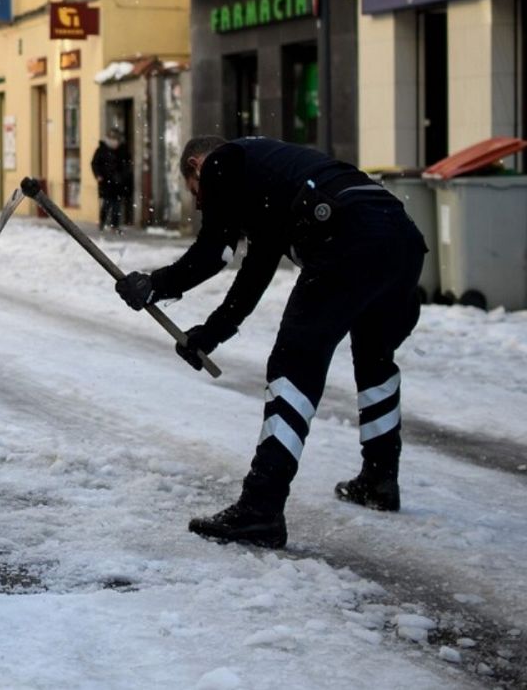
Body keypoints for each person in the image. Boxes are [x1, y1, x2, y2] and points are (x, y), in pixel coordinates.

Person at [115, 135, 425, 549]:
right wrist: (211, 334)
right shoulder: (271, 180)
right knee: (375, 358)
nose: (201, 203)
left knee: (293, 366)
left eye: (196, 194)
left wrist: (154, 284)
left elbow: (214, 253)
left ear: (196, 165)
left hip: (347, 235)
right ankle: (379, 479)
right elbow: (253, 273)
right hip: (400, 238)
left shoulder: (222, 163)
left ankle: (261, 507)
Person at [91, 128, 129, 233]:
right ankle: (102, 222)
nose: (114, 141)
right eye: (112, 138)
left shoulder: (121, 150)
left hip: (118, 183)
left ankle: (114, 225)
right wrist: (98, 175)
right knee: (106, 204)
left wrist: (122, 176)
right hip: (106, 183)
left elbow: (126, 164)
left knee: (116, 205)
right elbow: (95, 164)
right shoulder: (101, 150)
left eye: (116, 139)